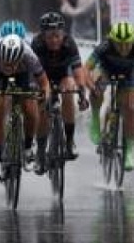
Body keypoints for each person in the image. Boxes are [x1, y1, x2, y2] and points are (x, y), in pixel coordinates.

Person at [84, 21, 134, 171]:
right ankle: (95, 117)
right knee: (97, 88)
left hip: (128, 75)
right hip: (105, 70)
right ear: (112, 40)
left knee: (130, 108)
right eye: (119, 44)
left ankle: (129, 150)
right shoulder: (105, 46)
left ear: (133, 40)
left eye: (127, 44)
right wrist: (92, 87)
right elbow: (86, 69)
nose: (124, 48)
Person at [0, 34, 51, 181]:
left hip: (24, 75)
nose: (8, 67)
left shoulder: (30, 58)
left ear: (20, 59)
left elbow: (44, 83)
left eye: (12, 64)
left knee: (30, 108)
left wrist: (43, 96)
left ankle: (28, 148)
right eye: (6, 63)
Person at [30, 11, 90, 172]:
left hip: (64, 75)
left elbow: (78, 71)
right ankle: (41, 153)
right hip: (43, 77)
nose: (55, 40)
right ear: (43, 36)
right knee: (42, 106)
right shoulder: (36, 44)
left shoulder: (69, 44)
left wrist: (82, 94)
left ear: (63, 33)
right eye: (50, 36)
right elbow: (30, 73)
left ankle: (69, 142)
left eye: (58, 35)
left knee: (69, 91)